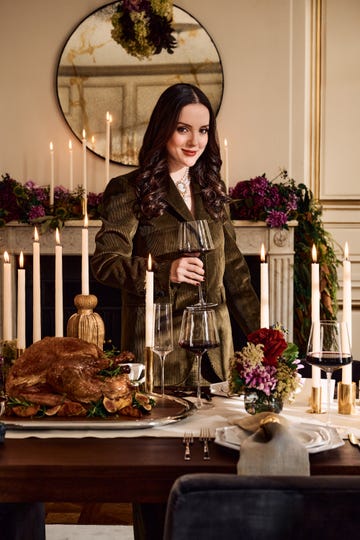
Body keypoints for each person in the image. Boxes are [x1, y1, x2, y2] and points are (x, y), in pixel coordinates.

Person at [91, 83, 260, 388]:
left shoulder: (213, 191)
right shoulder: (128, 190)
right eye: (183, 129)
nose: (195, 141)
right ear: (163, 129)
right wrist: (164, 271)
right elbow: (106, 263)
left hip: (216, 362)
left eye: (204, 130)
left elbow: (236, 275)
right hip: (159, 357)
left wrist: (265, 342)